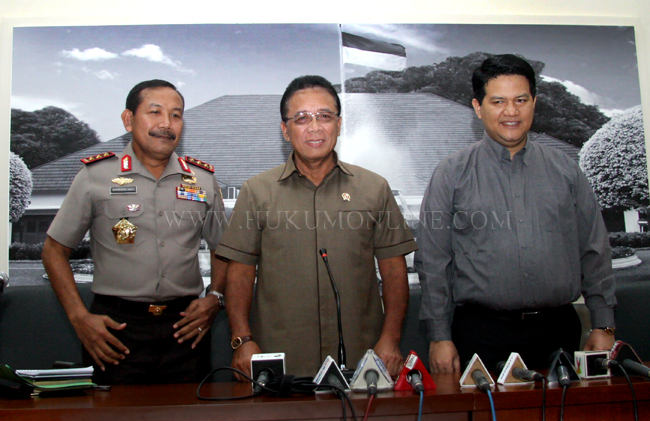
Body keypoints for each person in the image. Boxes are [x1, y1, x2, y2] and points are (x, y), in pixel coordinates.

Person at [415, 54, 617, 373]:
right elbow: (433, 260)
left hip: (558, 331)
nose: (511, 111)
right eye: (498, 101)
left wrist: (604, 326)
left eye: (521, 100)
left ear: (534, 102)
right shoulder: (451, 173)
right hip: (480, 335)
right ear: (478, 107)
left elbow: (595, 249)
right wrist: (439, 336)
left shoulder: (567, 171)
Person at [215, 75, 418, 378]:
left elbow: (393, 269)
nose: (314, 127)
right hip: (279, 361)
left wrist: (390, 339)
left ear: (338, 124)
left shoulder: (374, 188)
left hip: (362, 359)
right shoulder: (257, 191)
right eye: (301, 118)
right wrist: (242, 340)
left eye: (324, 116)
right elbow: (240, 271)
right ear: (285, 129)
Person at [42, 79, 228, 385]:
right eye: (155, 112)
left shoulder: (202, 180)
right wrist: (79, 317)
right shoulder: (96, 176)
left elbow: (224, 249)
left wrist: (215, 297)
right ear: (129, 120)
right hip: (114, 332)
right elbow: (54, 251)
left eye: (176, 115)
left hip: (186, 329)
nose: (166, 124)